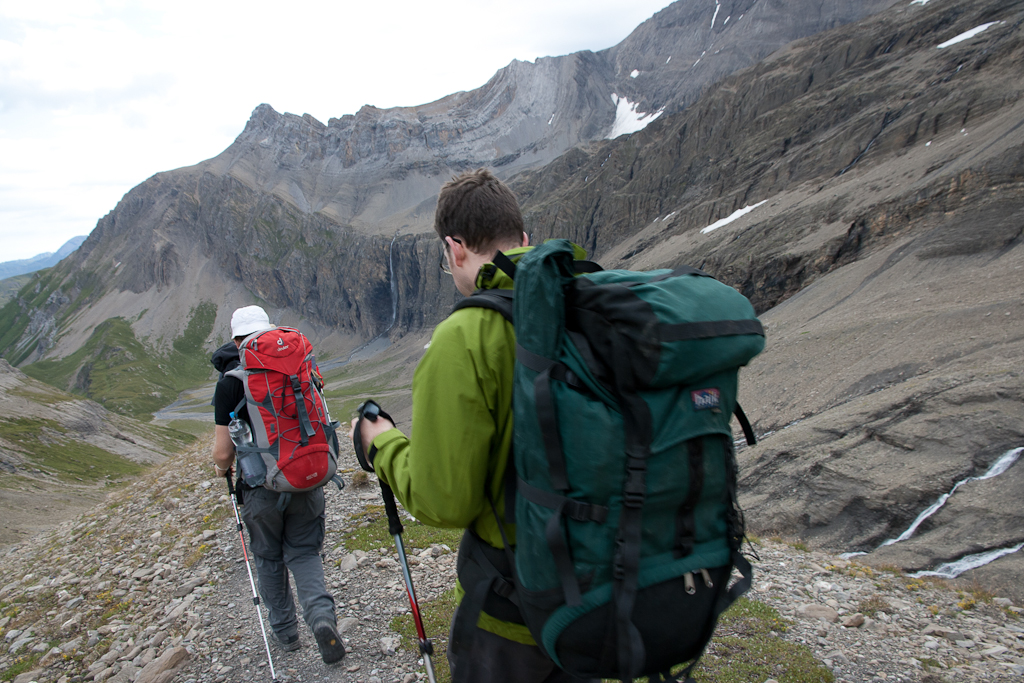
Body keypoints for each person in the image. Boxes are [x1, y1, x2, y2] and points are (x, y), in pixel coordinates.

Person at [350, 169, 595, 682]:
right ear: (523, 238)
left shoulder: (465, 335)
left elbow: (445, 500)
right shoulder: (588, 302)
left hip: (514, 615)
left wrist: (382, 444)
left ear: (455, 248)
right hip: (598, 592)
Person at [212, 305, 345, 664]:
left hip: (261, 488)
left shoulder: (230, 383)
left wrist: (220, 468)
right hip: (306, 475)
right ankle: (321, 618)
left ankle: (286, 634)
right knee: (304, 552)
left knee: (269, 557)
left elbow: (223, 453)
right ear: (269, 330)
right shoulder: (300, 366)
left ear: (237, 341)